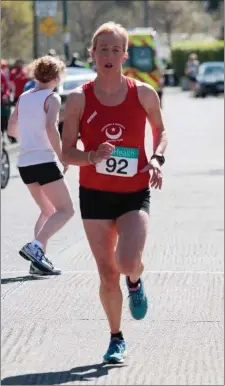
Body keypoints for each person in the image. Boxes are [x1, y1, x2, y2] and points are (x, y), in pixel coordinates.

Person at [62, 21, 168, 363]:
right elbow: (67, 152)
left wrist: (155, 158)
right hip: (94, 194)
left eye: (115, 49)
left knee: (127, 262)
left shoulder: (143, 93)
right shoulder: (79, 98)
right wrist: (92, 156)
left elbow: (161, 131)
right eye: (102, 49)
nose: (108, 55)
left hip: (134, 190)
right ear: (92, 54)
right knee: (107, 274)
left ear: (125, 54)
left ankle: (135, 282)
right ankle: (116, 338)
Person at [7, 55, 75, 276]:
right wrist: (62, 156)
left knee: (47, 210)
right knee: (66, 210)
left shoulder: (24, 97)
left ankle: (37, 264)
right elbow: (50, 128)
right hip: (44, 160)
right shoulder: (52, 98)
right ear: (56, 76)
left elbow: (11, 129)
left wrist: (28, 138)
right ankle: (36, 247)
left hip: (25, 163)